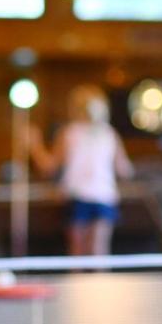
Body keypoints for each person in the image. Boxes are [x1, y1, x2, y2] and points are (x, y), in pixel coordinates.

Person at [26, 84, 134, 256]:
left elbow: (49, 167)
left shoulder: (68, 133)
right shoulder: (109, 134)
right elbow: (125, 170)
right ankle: (99, 282)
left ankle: (79, 282)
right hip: (103, 196)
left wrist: (35, 145)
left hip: (78, 196)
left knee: (77, 254)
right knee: (99, 252)